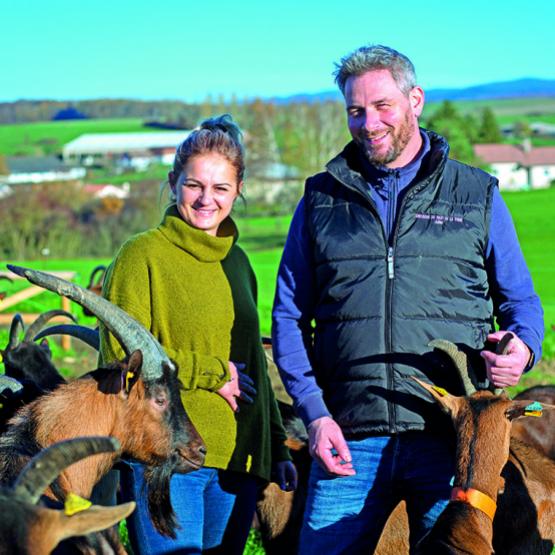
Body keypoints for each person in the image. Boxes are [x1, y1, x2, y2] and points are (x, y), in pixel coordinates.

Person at [272, 45, 544, 553]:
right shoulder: (319, 199)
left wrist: (521, 350)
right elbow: (288, 315)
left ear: (414, 100)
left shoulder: (476, 193)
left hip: (451, 444)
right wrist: (315, 413)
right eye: (355, 110)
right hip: (347, 438)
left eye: (382, 106)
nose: (368, 122)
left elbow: (522, 304)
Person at [99, 114, 297, 554]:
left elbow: (254, 368)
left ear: (238, 191)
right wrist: (211, 372)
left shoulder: (239, 263)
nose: (207, 199)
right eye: (194, 185)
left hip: (237, 461)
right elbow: (119, 356)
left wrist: (277, 447)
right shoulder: (142, 254)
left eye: (221, 188)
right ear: (173, 183)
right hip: (167, 457)